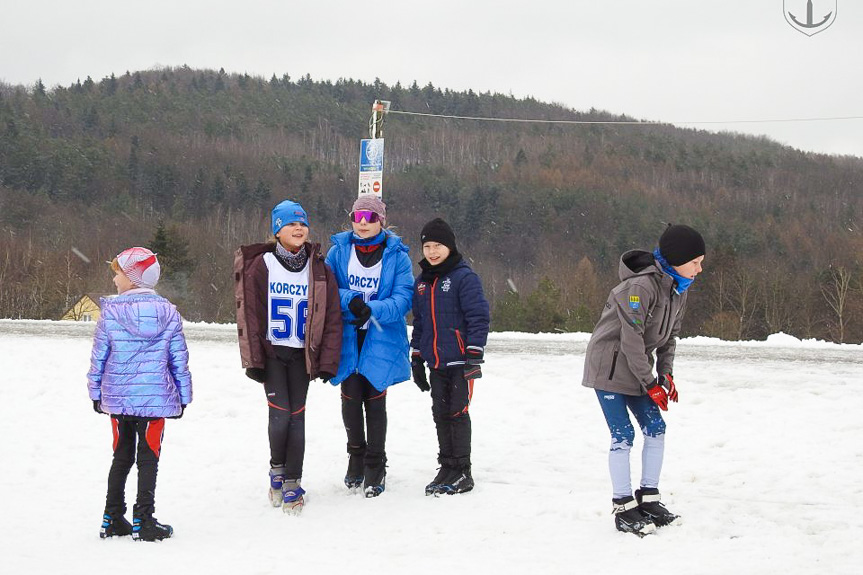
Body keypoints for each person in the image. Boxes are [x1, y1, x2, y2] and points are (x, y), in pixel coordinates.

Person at [582, 223, 705, 536]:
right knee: (623, 435)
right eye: (695, 262)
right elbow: (631, 339)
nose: (699, 269)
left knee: (656, 428)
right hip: (608, 370)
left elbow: (669, 337)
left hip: (639, 371)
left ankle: (648, 499)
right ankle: (623, 507)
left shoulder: (678, 290)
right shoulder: (640, 288)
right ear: (677, 260)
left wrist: (665, 374)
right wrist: (651, 383)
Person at [234, 200, 342, 514]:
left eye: (302, 224)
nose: (298, 229)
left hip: (301, 356)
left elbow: (332, 317)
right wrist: (253, 359)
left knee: (298, 418)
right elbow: (250, 316)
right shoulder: (263, 265)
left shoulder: (318, 267)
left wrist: (327, 361)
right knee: (280, 415)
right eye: (290, 224)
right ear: (277, 230)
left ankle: (293, 481)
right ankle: (277, 471)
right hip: (272, 354)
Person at [87, 247, 192, 542]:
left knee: (121, 456)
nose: (114, 280)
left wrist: (96, 391)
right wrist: (183, 395)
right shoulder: (168, 312)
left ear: (133, 278)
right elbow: (178, 359)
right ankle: (143, 519)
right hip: (155, 399)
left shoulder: (110, 312)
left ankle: (112, 516)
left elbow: (99, 357)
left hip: (119, 400)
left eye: (118, 273)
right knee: (149, 458)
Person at [325, 195, 413, 497]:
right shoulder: (339, 251)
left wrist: (374, 309)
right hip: (348, 334)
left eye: (370, 217)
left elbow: (403, 298)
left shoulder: (397, 255)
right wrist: (351, 300)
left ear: (382, 221)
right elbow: (326, 288)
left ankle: (376, 464)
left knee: (375, 399)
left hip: (381, 336)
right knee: (350, 398)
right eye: (358, 216)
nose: (363, 223)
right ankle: (356, 457)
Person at [410, 218, 490, 496]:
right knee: (440, 414)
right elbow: (419, 323)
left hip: (460, 361)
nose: (432, 252)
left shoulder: (463, 277)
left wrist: (474, 354)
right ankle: (446, 466)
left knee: (457, 413)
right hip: (436, 362)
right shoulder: (422, 282)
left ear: (450, 246)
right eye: (427, 246)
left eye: (438, 246)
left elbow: (478, 317)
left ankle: (462, 470)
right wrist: (417, 356)